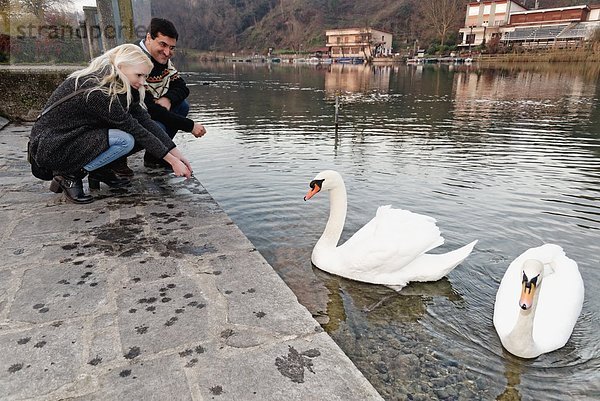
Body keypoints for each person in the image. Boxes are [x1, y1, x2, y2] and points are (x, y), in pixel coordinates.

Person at [29, 44, 193, 204]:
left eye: (145, 76)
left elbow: (146, 122)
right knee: (124, 139)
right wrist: (172, 162)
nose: (143, 82)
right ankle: (70, 176)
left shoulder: (119, 84)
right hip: (51, 147)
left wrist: (179, 156)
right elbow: (136, 129)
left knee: (136, 135)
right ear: (122, 67)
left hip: (73, 137)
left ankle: (100, 170)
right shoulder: (98, 91)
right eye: (139, 75)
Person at [110, 18, 206, 177]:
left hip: (145, 110)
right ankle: (116, 161)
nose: (168, 52)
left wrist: (167, 99)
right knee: (157, 126)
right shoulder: (134, 58)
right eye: (163, 45)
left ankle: (154, 157)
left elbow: (182, 87)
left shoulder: (162, 60)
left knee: (182, 105)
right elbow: (147, 110)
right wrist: (190, 126)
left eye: (172, 48)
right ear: (148, 38)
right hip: (120, 118)